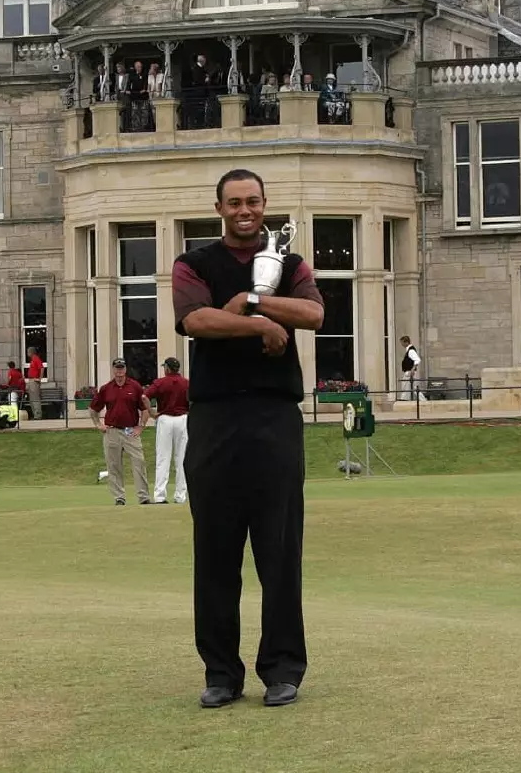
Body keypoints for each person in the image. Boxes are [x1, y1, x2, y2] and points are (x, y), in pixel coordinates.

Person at [173, 168, 325, 709]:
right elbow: (195, 321)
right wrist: (258, 326)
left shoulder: (289, 263)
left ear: (264, 205)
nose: (245, 210)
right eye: (234, 202)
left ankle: (283, 668)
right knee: (215, 551)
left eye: (253, 201)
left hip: (274, 418)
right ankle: (221, 672)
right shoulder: (192, 263)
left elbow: (313, 313)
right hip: (214, 419)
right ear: (218, 208)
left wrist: (252, 305)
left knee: (279, 550)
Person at [89, 358, 150, 506]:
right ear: (113, 369)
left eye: (121, 368)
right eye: (117, 368)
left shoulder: (134, 386)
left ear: (126, 369)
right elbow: (93, 409)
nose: (119, 371)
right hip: (112, 430)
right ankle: (119, 497)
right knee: (114, 465)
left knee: (139, 462)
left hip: (130, 430)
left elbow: (144, 409)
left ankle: (144, 497)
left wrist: (141, 426)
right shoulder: (106, 388)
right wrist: (98, 424)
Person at [144, 357, 189, 504]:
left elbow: (144, 396)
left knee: (163, 458)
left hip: (165, 418)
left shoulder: (160, 382)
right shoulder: (186, 383)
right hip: (183, 419)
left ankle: (160, 495)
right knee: (182, 459)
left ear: (167, 368)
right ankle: (180, 496)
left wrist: (151, 412)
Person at [398, 335, 425, 401]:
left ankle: (404, 399)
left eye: (402, 343)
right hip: (409, 371)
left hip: (409, 372)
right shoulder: (409, 350)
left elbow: (417, 359)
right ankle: (423, 400)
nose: (401, 344)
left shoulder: (411, 351)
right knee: (411, 387)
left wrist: (413, 368)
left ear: (406, 342)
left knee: (405, 385)